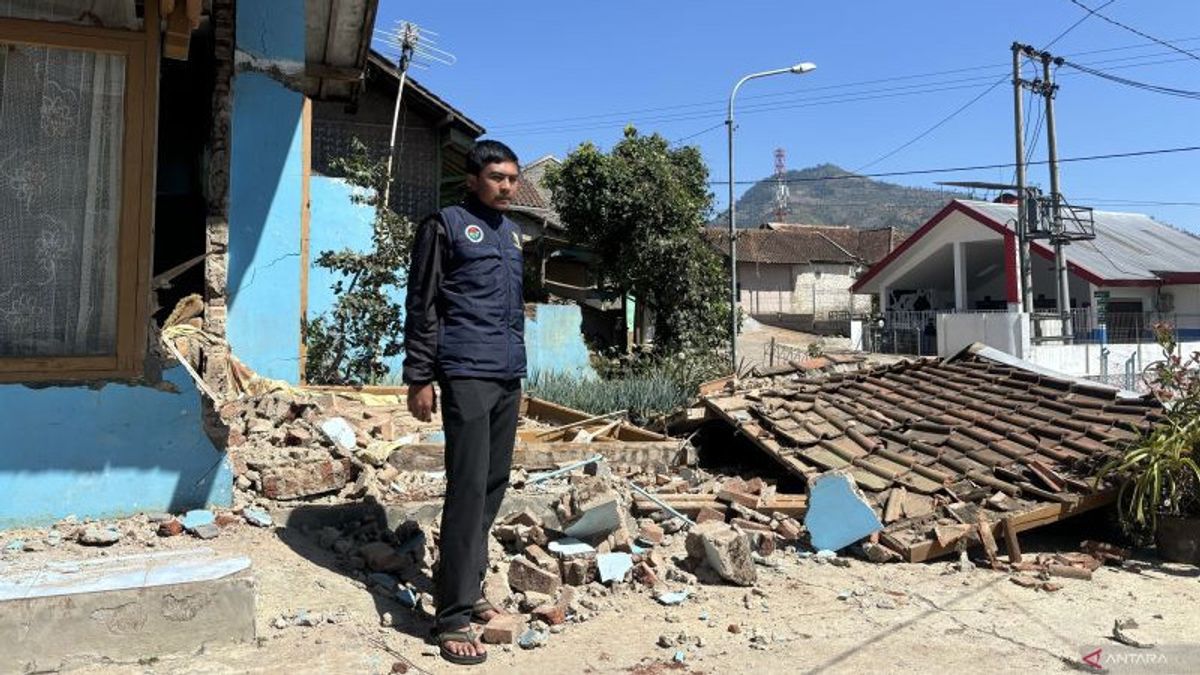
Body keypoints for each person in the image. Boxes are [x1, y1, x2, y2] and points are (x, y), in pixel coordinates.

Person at [402, 140, 526, 665]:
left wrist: (520, 373)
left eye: (513, 178)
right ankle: (449, 617)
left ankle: (468, 587)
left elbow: (513, 309)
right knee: (468, 487)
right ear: (474, 178)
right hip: (465, 371)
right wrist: (419, 376)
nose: (507, 186)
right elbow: (422, 301)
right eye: (497, 177)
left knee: (494, 487)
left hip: (506, 374)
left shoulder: (514, 235)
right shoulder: (446, 225)